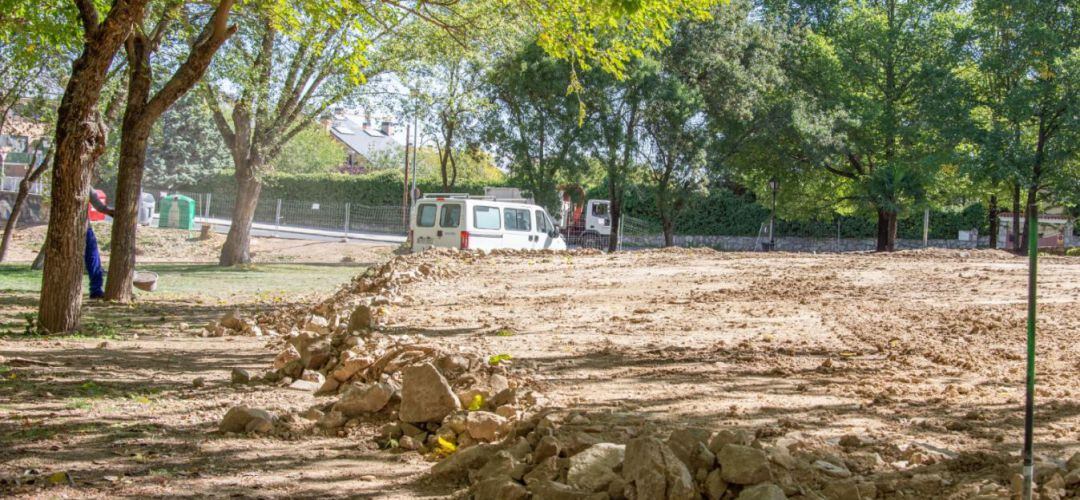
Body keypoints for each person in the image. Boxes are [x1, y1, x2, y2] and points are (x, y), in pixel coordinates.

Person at [86, 188, 113, 299]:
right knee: (93, 258)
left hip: (84, 229)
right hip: (82, 230)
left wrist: (114, 212)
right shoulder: (87, 187)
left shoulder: (87, 188)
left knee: (93, 258)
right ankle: (96, 289)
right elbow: (100, 207)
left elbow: (100, 207)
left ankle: (96, 290)